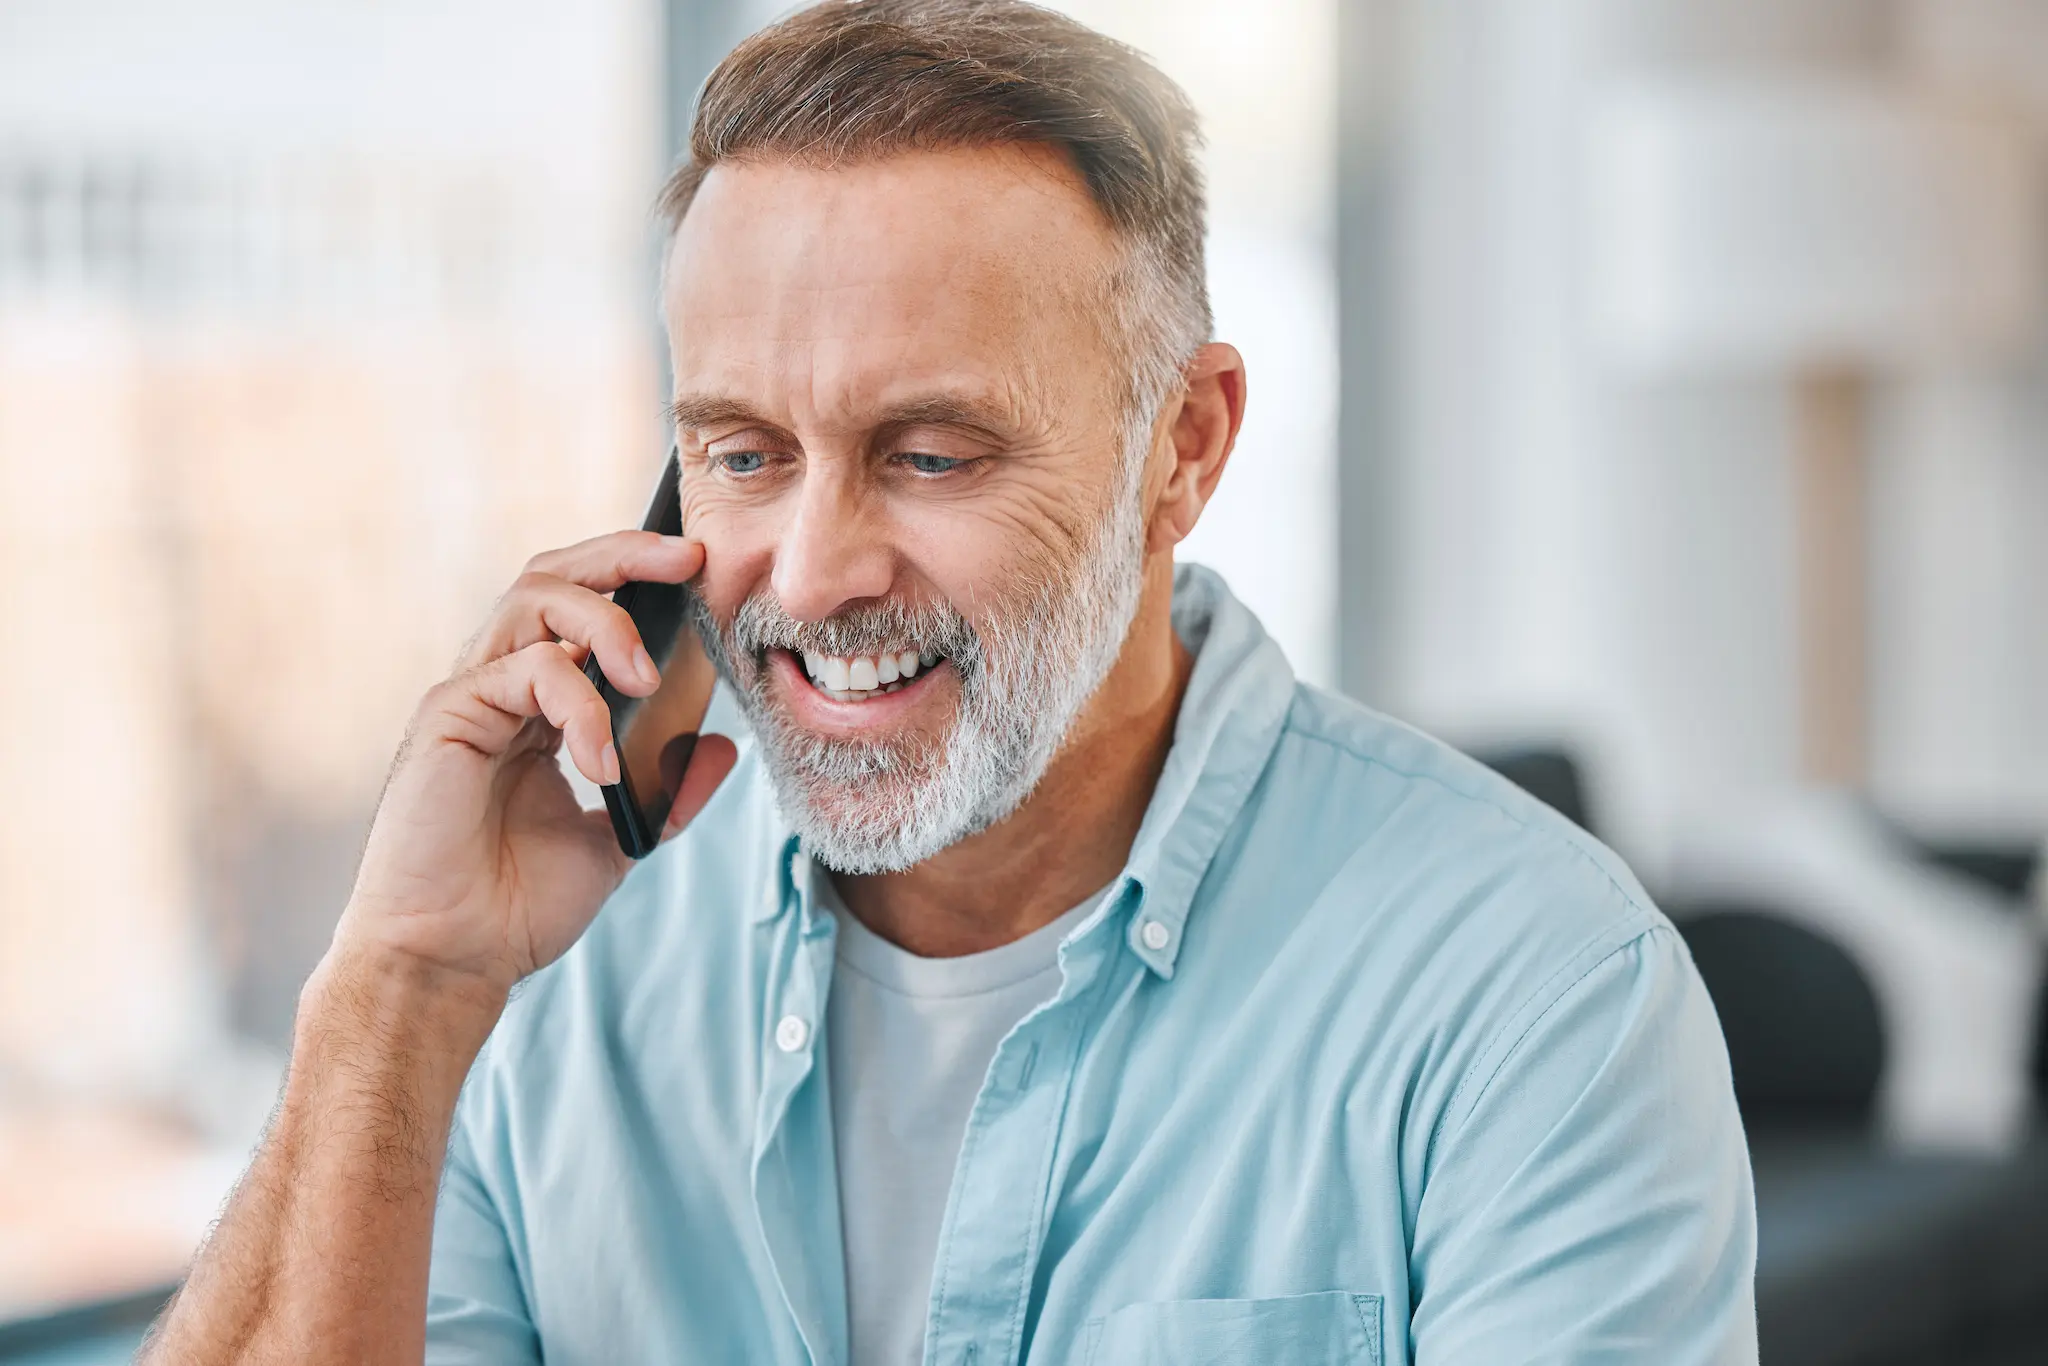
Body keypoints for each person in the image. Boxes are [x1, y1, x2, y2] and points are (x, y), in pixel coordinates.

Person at [141, 2, 1757, 1362]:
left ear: (1180, 446)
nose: (817, 566)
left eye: (927, 453)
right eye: (743, 453)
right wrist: (398, 993)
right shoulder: (551, 977)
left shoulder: (1536, 1000)